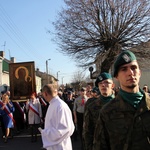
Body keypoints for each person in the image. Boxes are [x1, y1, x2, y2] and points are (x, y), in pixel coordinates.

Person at [93, 50, 150, 150]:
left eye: (133, 68)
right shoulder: (107, 112)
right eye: (124, 69)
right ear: (116, 77)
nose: (130, 73)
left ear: (139, 73)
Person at [83, 72, 115, 150]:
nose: (103, 85)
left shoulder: (121, 104)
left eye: (107, 82)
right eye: (100, 83)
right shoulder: (92, 106)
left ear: (113, 85)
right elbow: (87, 132)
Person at [39, 84, 75, 150]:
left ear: (45, 93)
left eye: (43, 94)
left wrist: (45, 133)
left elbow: (65, 129)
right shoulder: (52, 104)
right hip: (54, 146)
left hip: (61, 146)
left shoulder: (60, 106)